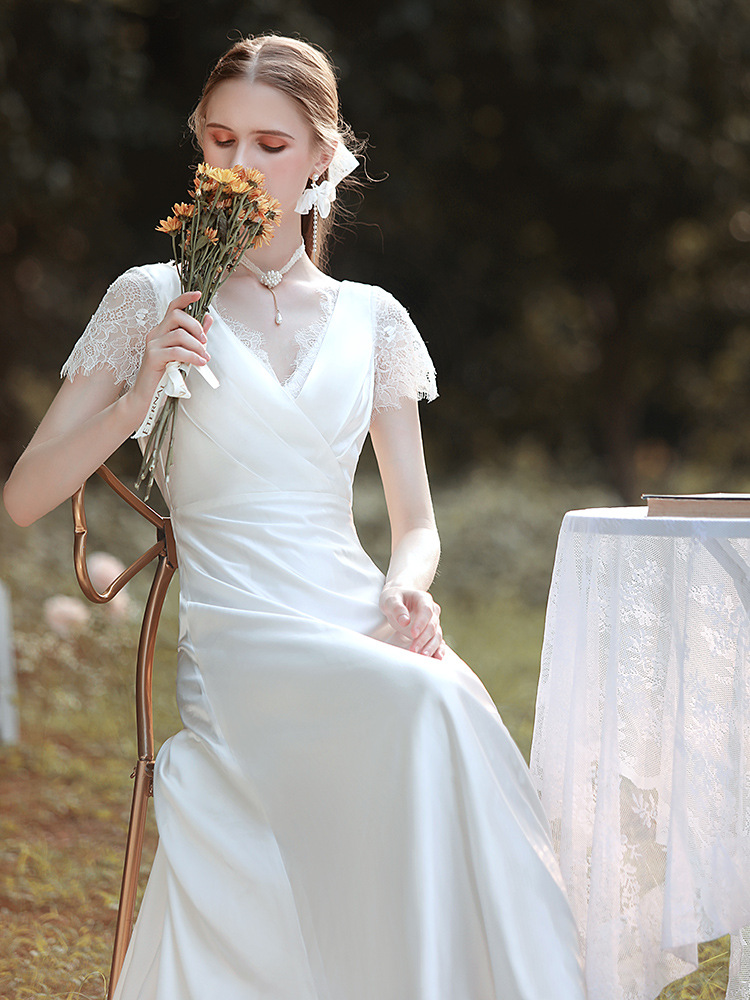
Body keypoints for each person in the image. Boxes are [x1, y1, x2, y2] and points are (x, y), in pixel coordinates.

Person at [3, 34, 586, 1000]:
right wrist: (137, 388)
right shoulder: (152, 295)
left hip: (349, 606)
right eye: (221, 140)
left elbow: (418, 522)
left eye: (270, 145)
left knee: (438, 701)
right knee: (428, 704)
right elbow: (24, 496)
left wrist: (407, 588)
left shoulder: (371, 317)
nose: (240, 166)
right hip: (241, 636)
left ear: (323, 155)